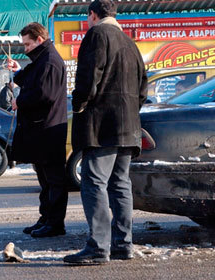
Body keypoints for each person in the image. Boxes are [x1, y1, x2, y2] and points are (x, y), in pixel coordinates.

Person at [64, 0, 147, 264]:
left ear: (93, 15)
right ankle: (123, 245)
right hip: (129, 125)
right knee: (120, 184)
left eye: (88, 17)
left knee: (94, 182)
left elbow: (88, 78)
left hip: (102, 125)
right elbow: (143, 87)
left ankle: (99, 247)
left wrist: (79, 105)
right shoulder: (129, 42)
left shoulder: (97, 34)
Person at [8, 22, 69, 238]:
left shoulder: (50, 61)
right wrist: (17, 71)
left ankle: (55, 223)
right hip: (40, 130)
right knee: (44, 180)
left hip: (48, 130)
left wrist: (20, 102)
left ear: (39, 40)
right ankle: (46, 218)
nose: (25, 49)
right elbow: (32, 80)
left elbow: (45, 94)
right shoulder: (42, 60)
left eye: (27, 44)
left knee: (54, 180)